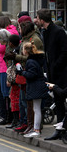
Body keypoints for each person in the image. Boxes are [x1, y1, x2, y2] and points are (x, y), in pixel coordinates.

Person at [37, 9, 67, 140]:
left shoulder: (58, 31)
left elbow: (65, 52)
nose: (36, 20)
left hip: (61, 73)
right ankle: (60, 130)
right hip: (51, 72)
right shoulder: (45, 32)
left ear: (42, 20)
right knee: (58, 102)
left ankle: (62, 130)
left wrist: (55, 66)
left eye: (37, 18)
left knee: (61, 101)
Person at [16, 42, 48, 138]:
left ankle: (36, 130)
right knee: (36, 109)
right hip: (37, 86)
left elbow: (31, 75)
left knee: (36, 109)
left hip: (36, 86)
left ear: (25, 51)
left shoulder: (30, 61)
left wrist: (22, 72)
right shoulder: (35, 60)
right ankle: (35, 129)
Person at [0, 29, 12, 125]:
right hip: (2, 68)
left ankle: (7, 116)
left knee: (6, 94)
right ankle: (6, 116)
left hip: (5, 69)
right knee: (4, 94)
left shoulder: (6, 45)